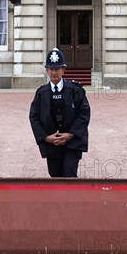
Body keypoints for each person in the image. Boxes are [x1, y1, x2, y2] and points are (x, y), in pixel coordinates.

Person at [29, 47, 90, 178]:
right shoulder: (41, 93)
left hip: (72, 143)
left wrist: (71, 134)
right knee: (55, 177)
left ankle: (73, 199)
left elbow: (84, 113)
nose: (54, 72)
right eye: (51, 69)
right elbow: (34, 117)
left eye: (57, 69)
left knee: (69, 174)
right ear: (47, 70)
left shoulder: (75, 90)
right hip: (52, 145)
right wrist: (46, 137)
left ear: (63, 70)